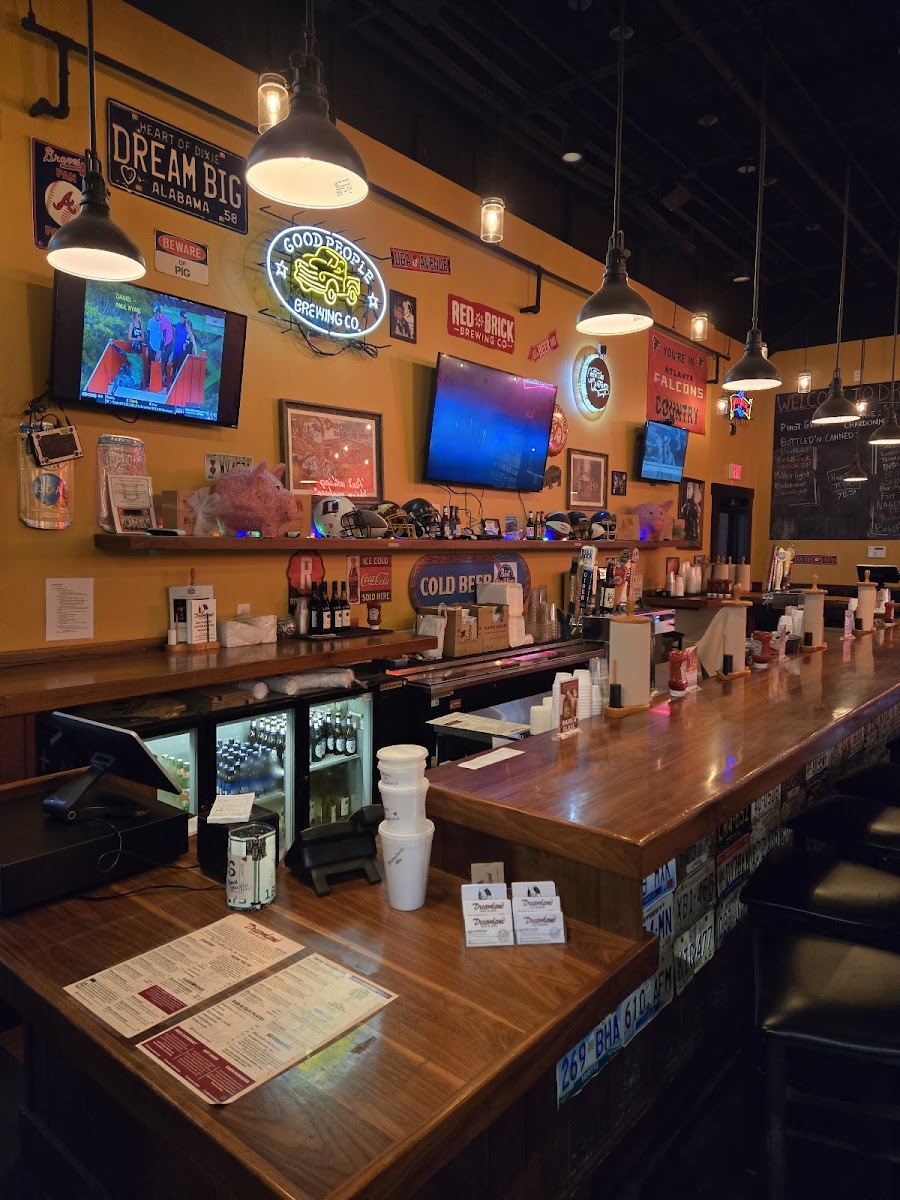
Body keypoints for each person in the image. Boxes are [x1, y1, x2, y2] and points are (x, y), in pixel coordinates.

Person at [147, 302, 175, 390]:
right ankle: (154, 383)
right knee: (155, 363)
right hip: (159, 345)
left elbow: (164, 338)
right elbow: (149, 335)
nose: (155, 317)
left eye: (155, 315)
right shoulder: (154, 321)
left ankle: (164, 385)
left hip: (167, 345)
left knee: (162, 365)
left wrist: (159, 351)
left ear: (158, 313)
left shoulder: (164, 321)